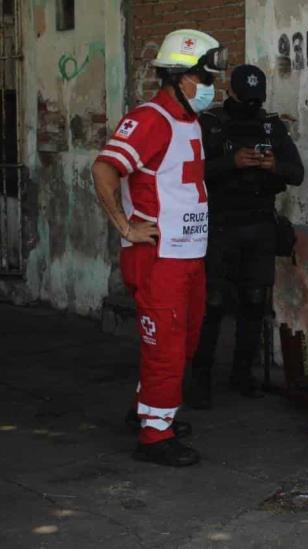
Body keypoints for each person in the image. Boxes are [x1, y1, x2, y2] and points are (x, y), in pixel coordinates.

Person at [93, 29, 227, 466]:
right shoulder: (151, 118)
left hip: (188, 257)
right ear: (179, 77)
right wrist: (126, 227)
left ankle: (149, 410)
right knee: (165, 347)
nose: (210, 88)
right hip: (159, 259)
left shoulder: (188, 120)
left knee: (181, 343)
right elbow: (104, 170)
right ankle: (155, 436)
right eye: (204, 79)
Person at [188, 64, 304, 407]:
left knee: (254, 302)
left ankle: (242, 374)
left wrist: (273, 167)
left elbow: (296, 173)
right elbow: (192, 171)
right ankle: (201, 376)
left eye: (258, 99)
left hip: (259, 226)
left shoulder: (272, 127)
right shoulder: (210, 125)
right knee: (213, 304)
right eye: (247, 97)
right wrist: (231, 162)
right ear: (231, 93)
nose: (252, 105)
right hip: (220, 227)